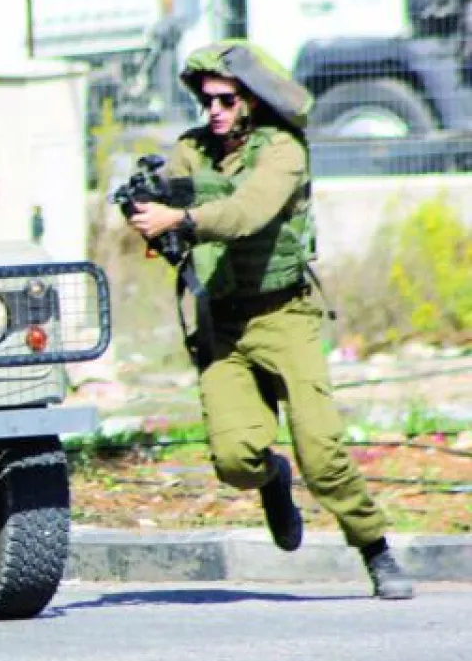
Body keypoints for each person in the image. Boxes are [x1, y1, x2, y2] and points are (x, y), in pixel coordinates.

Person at [125, 41, 414, 600]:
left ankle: (375, 549)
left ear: (252, 101)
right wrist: (146, 207)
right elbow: (171, 194)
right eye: (207, 100)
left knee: (323, 454)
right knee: (234, 460)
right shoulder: (193, 151)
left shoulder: (282, 151)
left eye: (227, 100)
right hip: (222, 326)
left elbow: (246, 213)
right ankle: (272, 480)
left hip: (285, 316)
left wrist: (180, 216)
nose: (215, 111)